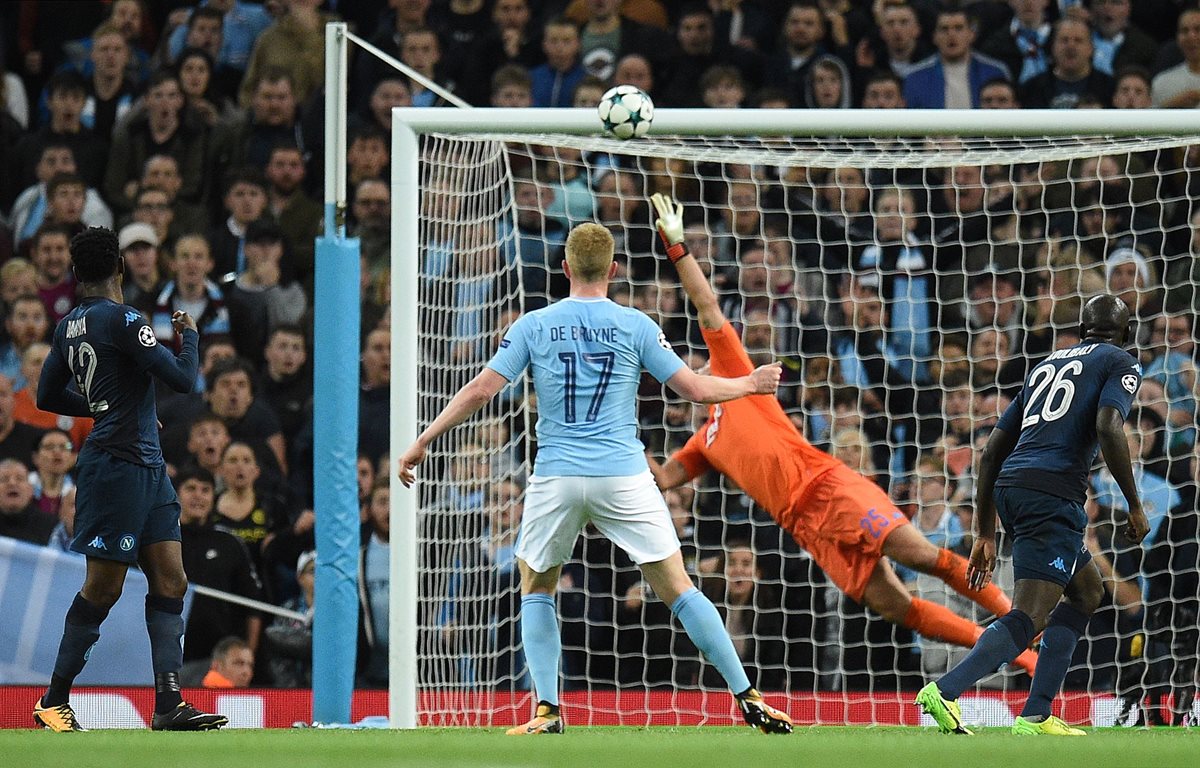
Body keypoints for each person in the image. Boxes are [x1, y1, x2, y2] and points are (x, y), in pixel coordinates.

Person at [397, 221, 792, 735]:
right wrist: (752, 382)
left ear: (564, 269)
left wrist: (424, 438)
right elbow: (693, 389)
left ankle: (546, 710)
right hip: (623, 474)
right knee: (679, 588)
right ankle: (748, 695)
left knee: (536, 588)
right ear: (613, 270)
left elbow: (481, 390)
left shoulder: (534, 324)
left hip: (557, 476)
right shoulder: (635, 324)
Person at [646, 193, 1035, 676]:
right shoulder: (701, 443)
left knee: (923, 556)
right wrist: (622, 439)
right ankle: (1023, 656)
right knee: (895, 606)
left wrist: (678, 249)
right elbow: (661, 479)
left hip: (830, 488)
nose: (690, 372)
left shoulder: (736, 373)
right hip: (807, 527)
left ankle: (1016, 622)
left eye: (692, 364)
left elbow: (706, 305)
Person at [916, 294, 1148, 737]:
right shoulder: (1122, 361)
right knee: (1029, 616)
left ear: (1082, 331)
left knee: (1087, 591)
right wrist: (1133, 503)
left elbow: (990, 453)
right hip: (1052, 493)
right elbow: (1107, 425)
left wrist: (985, 532)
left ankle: (1037, 713)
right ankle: (946, 692)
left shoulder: (1046, 366)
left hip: (1012, 487)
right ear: (1127, 332)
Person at [32, 226, 225, 732]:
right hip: (117, 467)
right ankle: (52, 700)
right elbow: (182, 379)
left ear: (77, 274)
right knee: (103, 587)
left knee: (171, 578)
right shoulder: (125, 319)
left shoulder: (68, 326)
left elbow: (47, 396)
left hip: (147, 467)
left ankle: (168, 704)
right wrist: (192, 339)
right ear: (119, 267)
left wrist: (104, 407)